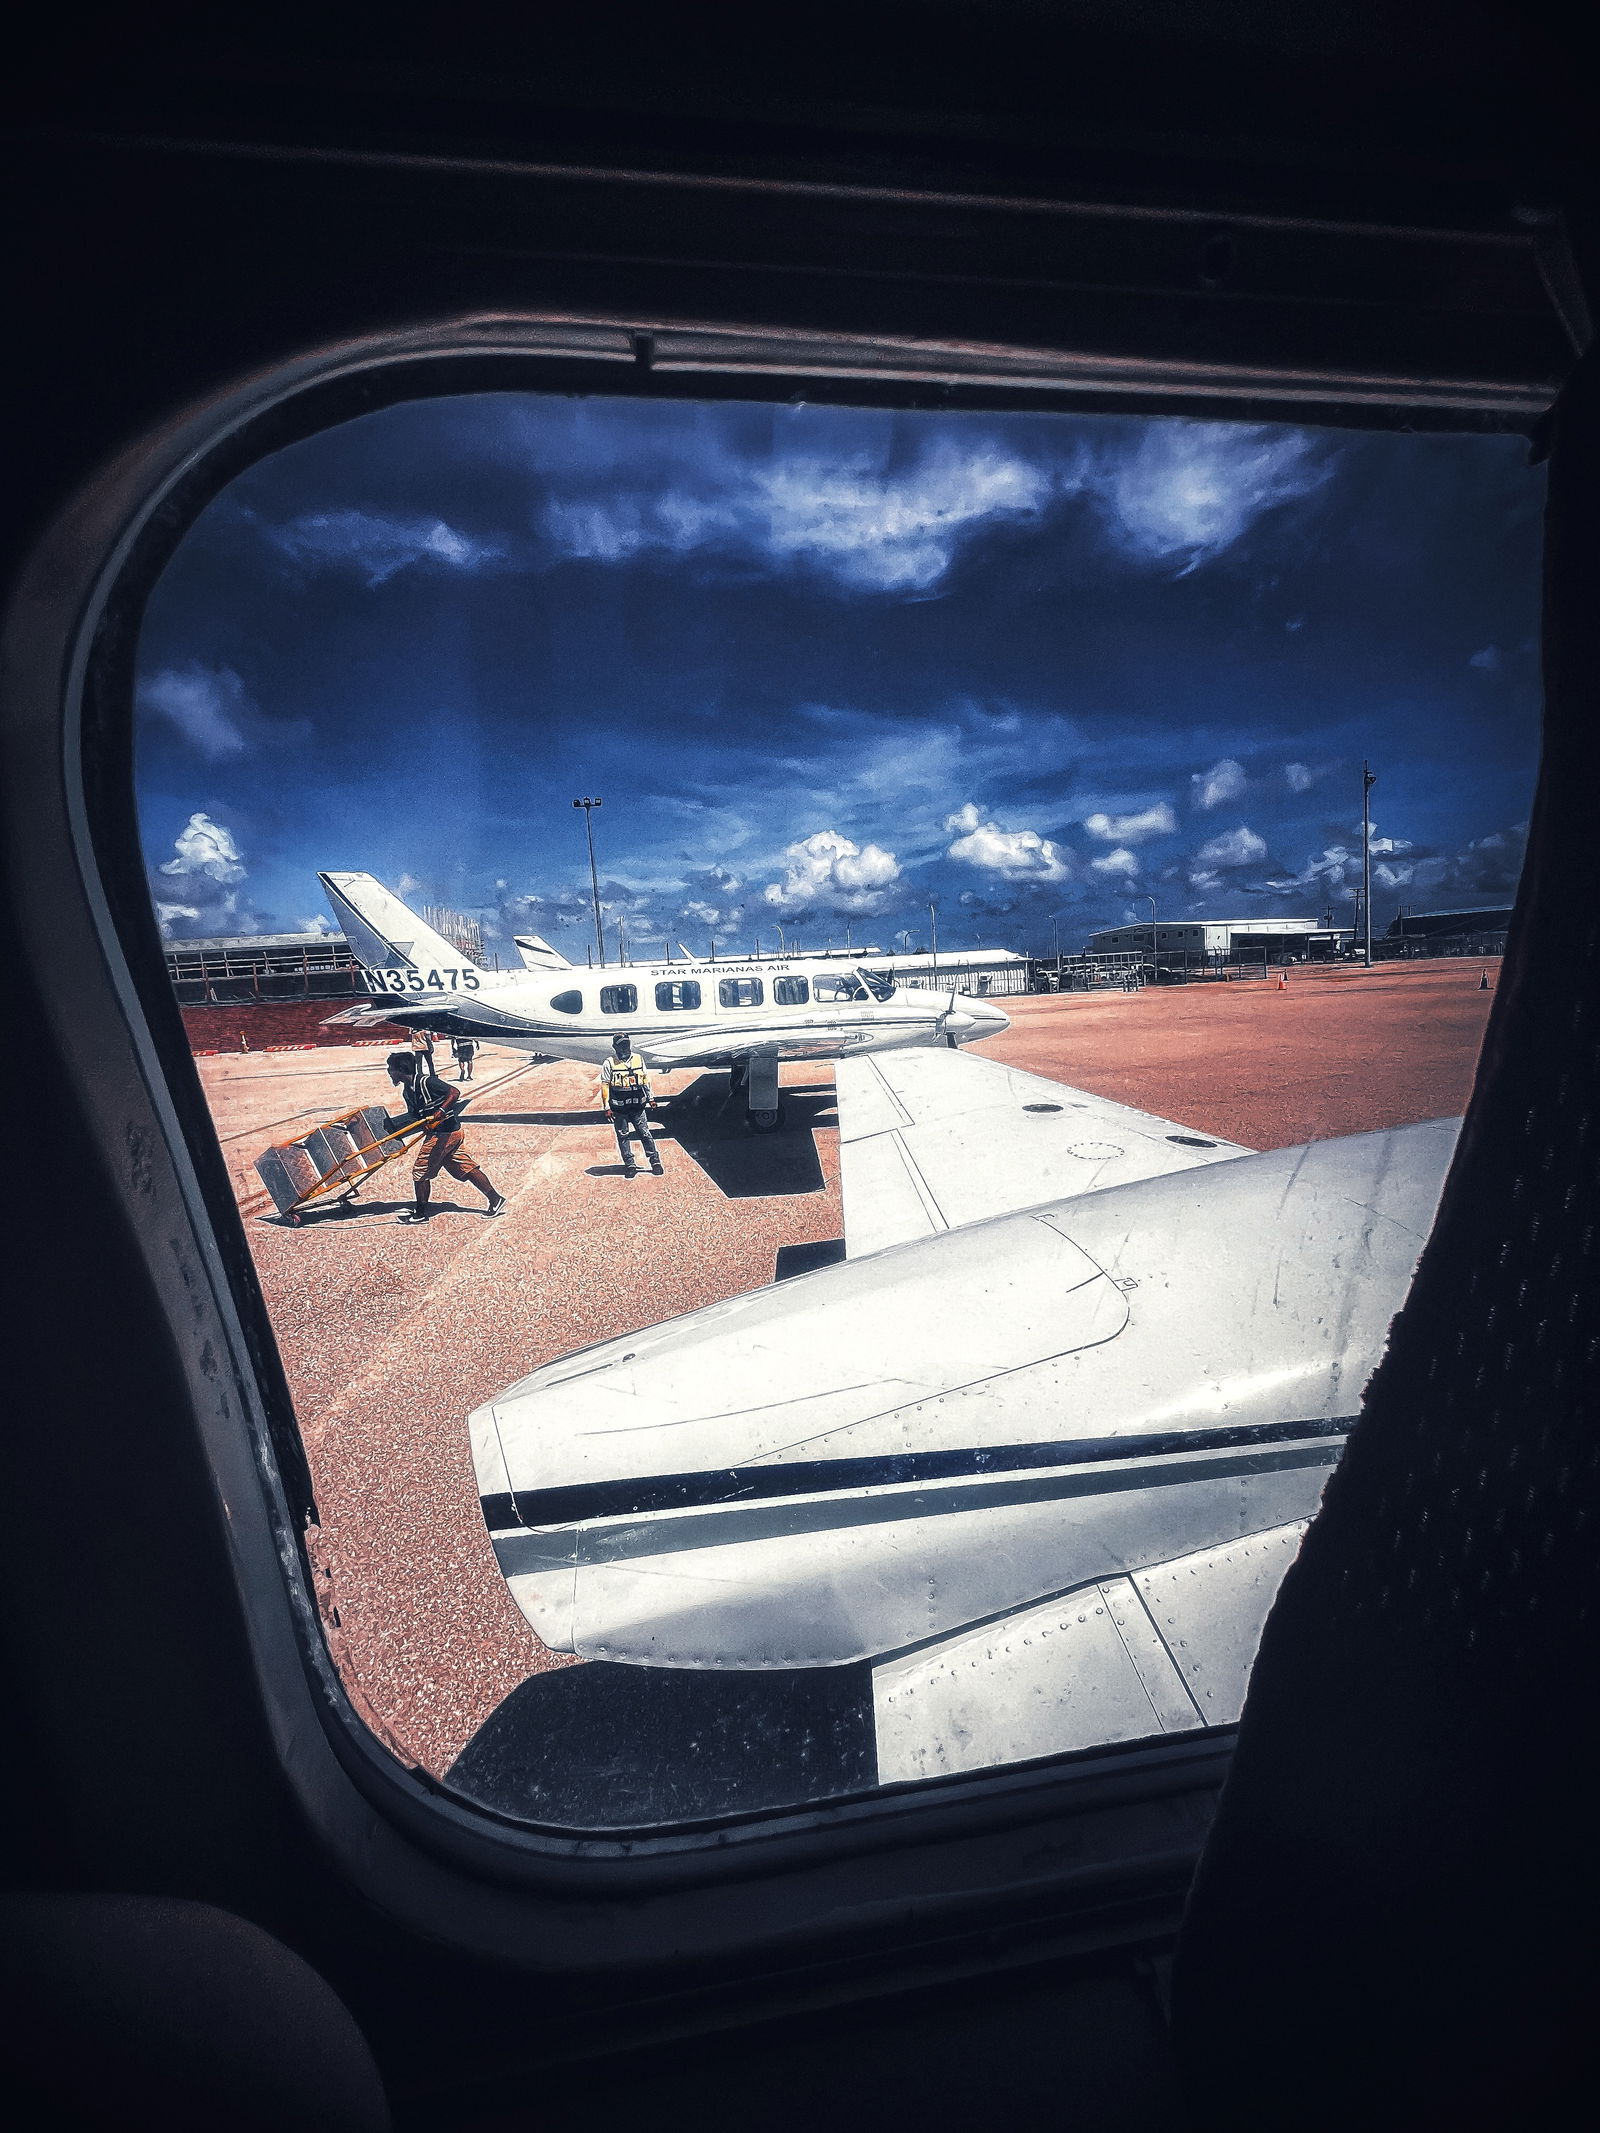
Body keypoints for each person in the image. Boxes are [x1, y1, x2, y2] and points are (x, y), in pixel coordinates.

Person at [385, 1049, 505, 1223]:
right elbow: (416, 1115)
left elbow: (454, 1092)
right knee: (465, 1167)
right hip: (446, 1133)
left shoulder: (427, 1082)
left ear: (401, 1070)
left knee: (420, 1171)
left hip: (445, 1133)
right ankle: (495, 1199)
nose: (389, 1073)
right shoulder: (407, 1092)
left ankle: (420, 1214)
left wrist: (440, 1112)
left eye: (391, 1069)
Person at [599, 1034, 662, 1178]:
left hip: (638, 1107)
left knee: (645, 1134)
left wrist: (651, 1098)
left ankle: (655, 1162)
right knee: (623, 1136)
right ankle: (630, 1165)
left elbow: (645, 1080)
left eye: (626, 1044)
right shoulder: (609, 1063)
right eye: (621, 1045)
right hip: (619, 1109)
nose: (625, 1047)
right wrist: (606, 1108)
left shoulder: (638, 1059)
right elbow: (605, 1085)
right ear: (615, 1047)